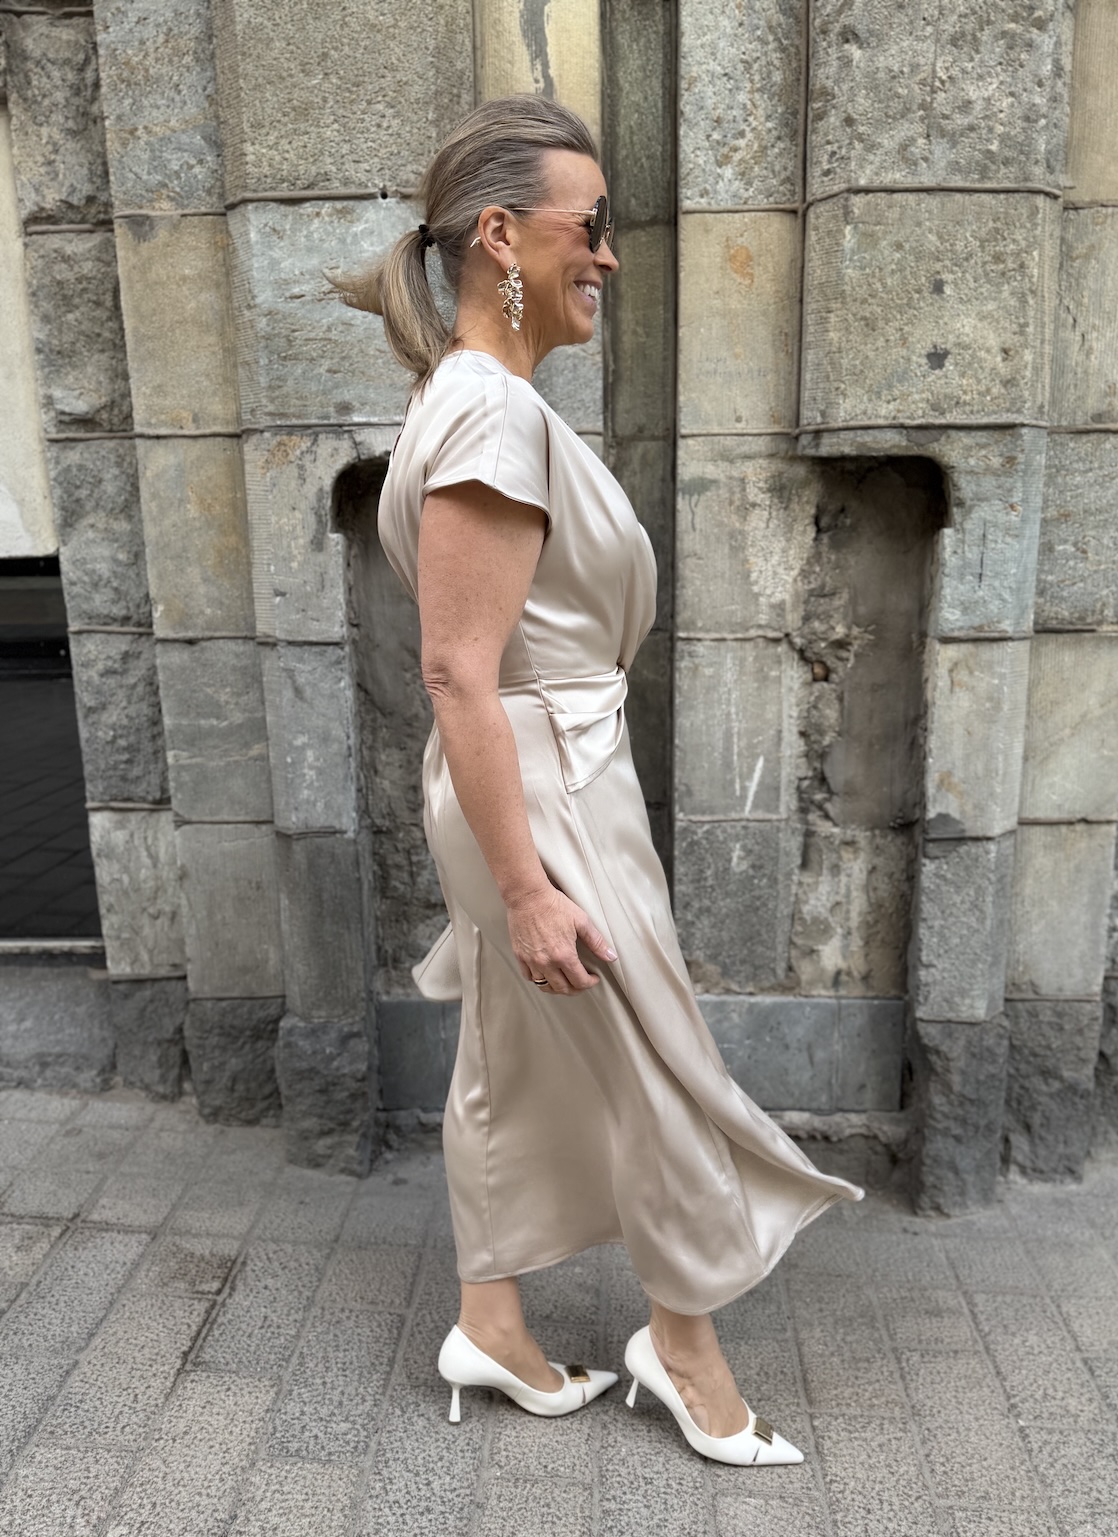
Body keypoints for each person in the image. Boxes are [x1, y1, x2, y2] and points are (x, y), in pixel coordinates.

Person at [328, 94, 864, 1467]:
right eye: (594, 225)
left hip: (529, 770)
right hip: (545, 784)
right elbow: (458, 671)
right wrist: (526, 888)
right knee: (657, 1059)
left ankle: (491, 1324)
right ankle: (682, 1349)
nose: (610, 255)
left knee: (504, 1058)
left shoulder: (465, 402)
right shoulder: (493, 418)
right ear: (502, 237)